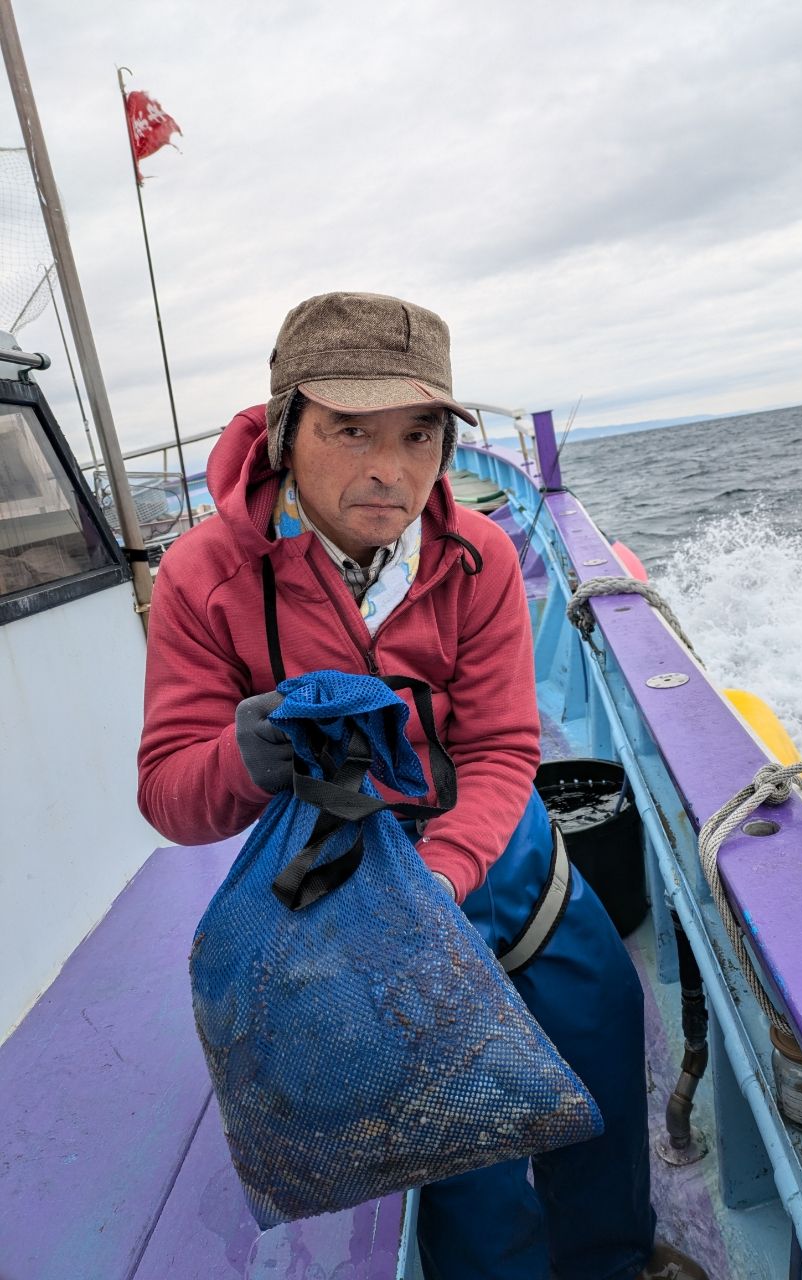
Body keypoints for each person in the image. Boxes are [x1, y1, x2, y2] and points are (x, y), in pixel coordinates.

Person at [138, 291, 708, 1280]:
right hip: (352, 895)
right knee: (464, 1151)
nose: (389, 470)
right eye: (349, 430)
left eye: (418, 433)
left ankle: (614, 1258)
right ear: (284, 427)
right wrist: (244, 754)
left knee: (602, 1042)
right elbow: (169, 792)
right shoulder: (200, 575)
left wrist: (442, 878)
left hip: (502, 859)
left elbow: (496, 746)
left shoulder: (477, 553)